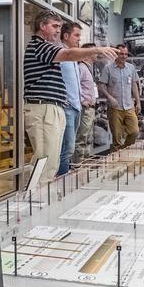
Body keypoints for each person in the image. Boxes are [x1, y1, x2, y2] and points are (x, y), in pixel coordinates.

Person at [24, 11, 114, 179]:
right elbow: (67, 54)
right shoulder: (39, 46)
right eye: (54, 26)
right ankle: (36, 198)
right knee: (46, 158)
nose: (57, 30)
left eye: (59, 26)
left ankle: (43, 194)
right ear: (42, 26)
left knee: (53, 158)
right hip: (43, 108)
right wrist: (97, 49)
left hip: (53, 107)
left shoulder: (46, 47)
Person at [98, 43, 141, 149]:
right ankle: (116, 162)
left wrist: (138, 102)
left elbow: (134, 85)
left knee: (135, 132)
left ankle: (125, 151)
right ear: (116, 54)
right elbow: (101, 86)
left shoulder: (131, 68)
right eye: (121, 54)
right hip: (115, 108)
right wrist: (109, 97)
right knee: (117, 138)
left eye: (126, 54)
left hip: (129, 106)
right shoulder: (108, 69)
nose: (124, 56)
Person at [56, 21, 83, 176]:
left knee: (68, 147)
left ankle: (63, 173)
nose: (79, 39)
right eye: (76, 35)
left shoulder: (73, 58)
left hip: (76, 106)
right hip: (66, 107)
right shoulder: (60, 53)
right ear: (66, 36)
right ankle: (62, 178)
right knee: (68, 147)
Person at [74, 43, 98, 164]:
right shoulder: (81, 68)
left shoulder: (87, 68)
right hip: (85, 109)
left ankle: (85, 164)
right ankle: (78, 165)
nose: (97, 53)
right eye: (94, 51)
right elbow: (75, 87)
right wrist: (83, 101)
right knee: (81, 138)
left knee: (88, 138)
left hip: (90, 109)